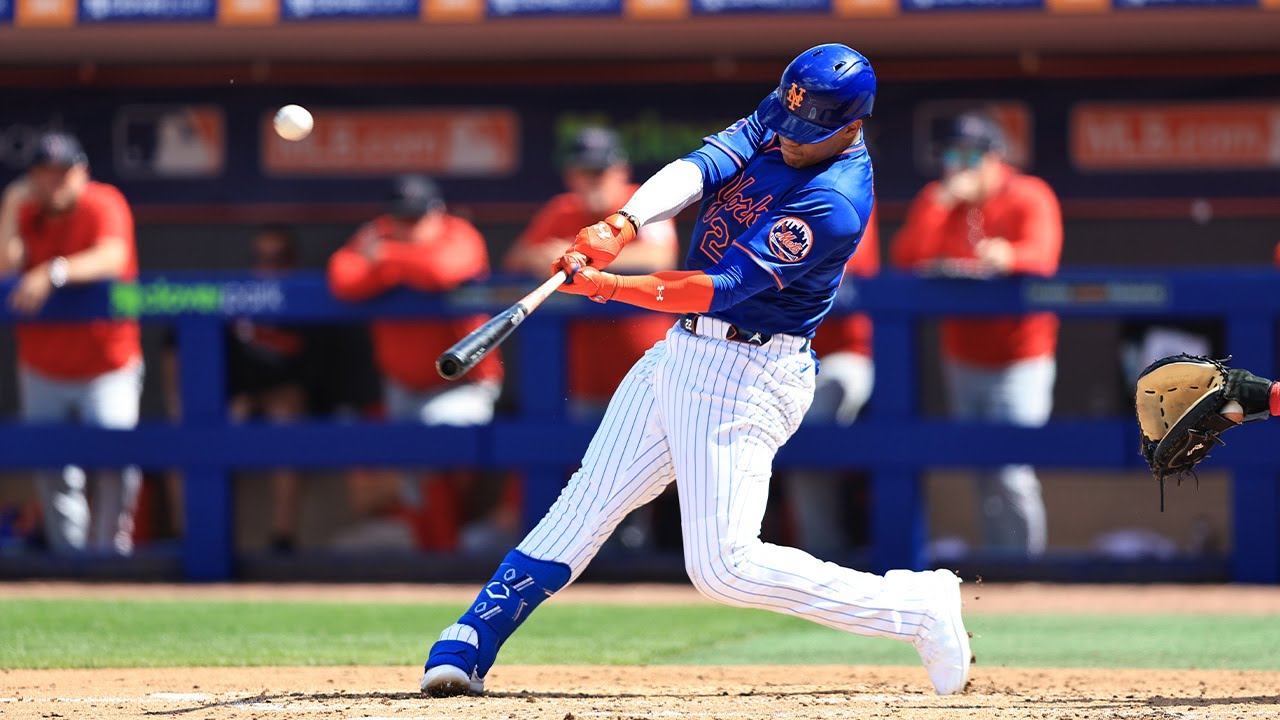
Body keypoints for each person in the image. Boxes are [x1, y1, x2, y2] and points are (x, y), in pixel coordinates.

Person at [420, 44, 971, 699]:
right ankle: (476, 633)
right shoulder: (790, 111)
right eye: (787, 124)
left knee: (723, 567)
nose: (788, 141)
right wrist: (622, 222)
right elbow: (705, 164)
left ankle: (917, 609)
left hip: (747, 370)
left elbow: (719, 286)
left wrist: (606, 286)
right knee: (587, 503)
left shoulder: (836, 201)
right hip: (684, 353)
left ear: (851, 126)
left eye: (807, 134)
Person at [890, 111, 1063, 557]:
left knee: (1012, 469)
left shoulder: (1029, 194)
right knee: (981, 470)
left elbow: (1043, 257)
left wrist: (1010, 255)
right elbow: (907, 259)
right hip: (963, 356)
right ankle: (998, 565)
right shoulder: (939, 201)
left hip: (1021, 357)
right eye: (953, 155)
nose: (961, 166)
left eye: (971, 155)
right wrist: (939, 204)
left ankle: (1028, 568)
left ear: (995, 157)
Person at [328, 175, 501, 550]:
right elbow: (343, 277)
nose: (407, 228)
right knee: (413, 475)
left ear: (436, 211)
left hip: (463, 385)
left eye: (415, 218)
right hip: (403, 386)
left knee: (434, 446)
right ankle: (434, 560)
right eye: (401, 219)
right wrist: (403, 263)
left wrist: (388, 259)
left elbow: (444, 271)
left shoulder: (459, 233)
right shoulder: (378, 232)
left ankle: (451, 554)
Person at [6, 131, 144, 555]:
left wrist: (53, 271)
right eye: (45, 175)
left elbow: (113, 257)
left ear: (81, 172)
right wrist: (11, 205)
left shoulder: (103, 201)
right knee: (53, 469)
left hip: (107, 365)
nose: (55, 183)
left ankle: (110, 558)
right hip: (42, 366)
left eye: (63, 173)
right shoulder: (25, 211)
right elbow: (6, 267)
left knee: (115, 463)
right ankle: (72, 565)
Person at [505, 127, 679, 415]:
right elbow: (517, 259)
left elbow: (660, 256)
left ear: (620, 170)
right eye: (583, 172)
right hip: (587, 377)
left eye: (599, 171)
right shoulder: (562, 210)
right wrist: (546, 257)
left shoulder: (641, 202)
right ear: (571, 175)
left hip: (650, 368)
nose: (591, 181)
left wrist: (582, 257)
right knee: (586, 458)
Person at [790, 208, 879, 557]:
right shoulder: (776, 192)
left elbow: (835, 268)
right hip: (788, 354)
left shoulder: (851, 199)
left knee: (810, 428)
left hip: (847, 355)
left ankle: (824, 554)